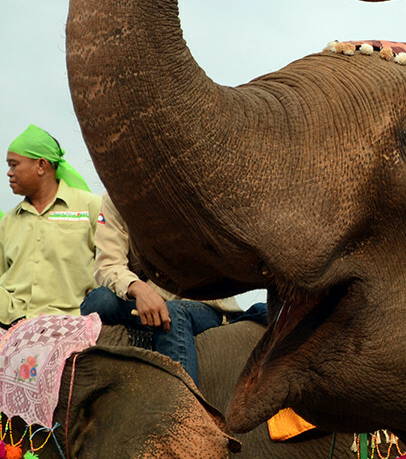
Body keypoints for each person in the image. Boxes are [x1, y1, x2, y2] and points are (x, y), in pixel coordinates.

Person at [80, 191, 248, 383]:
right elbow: (107, 264)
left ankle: (184, 407)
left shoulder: (191, 190)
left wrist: (155, 297)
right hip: (143, 298)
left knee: (173, 314)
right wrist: (138, 288)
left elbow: (199, 269)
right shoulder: (115, 197)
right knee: (99, 301)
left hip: (197, 299)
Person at [1, 124, 101, 327]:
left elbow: (110, 260)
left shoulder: (91, 207)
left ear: (41, 165)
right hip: (11, 322)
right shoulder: (8, 221)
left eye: (14, 165)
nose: (9, 173)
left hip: (71, 320)